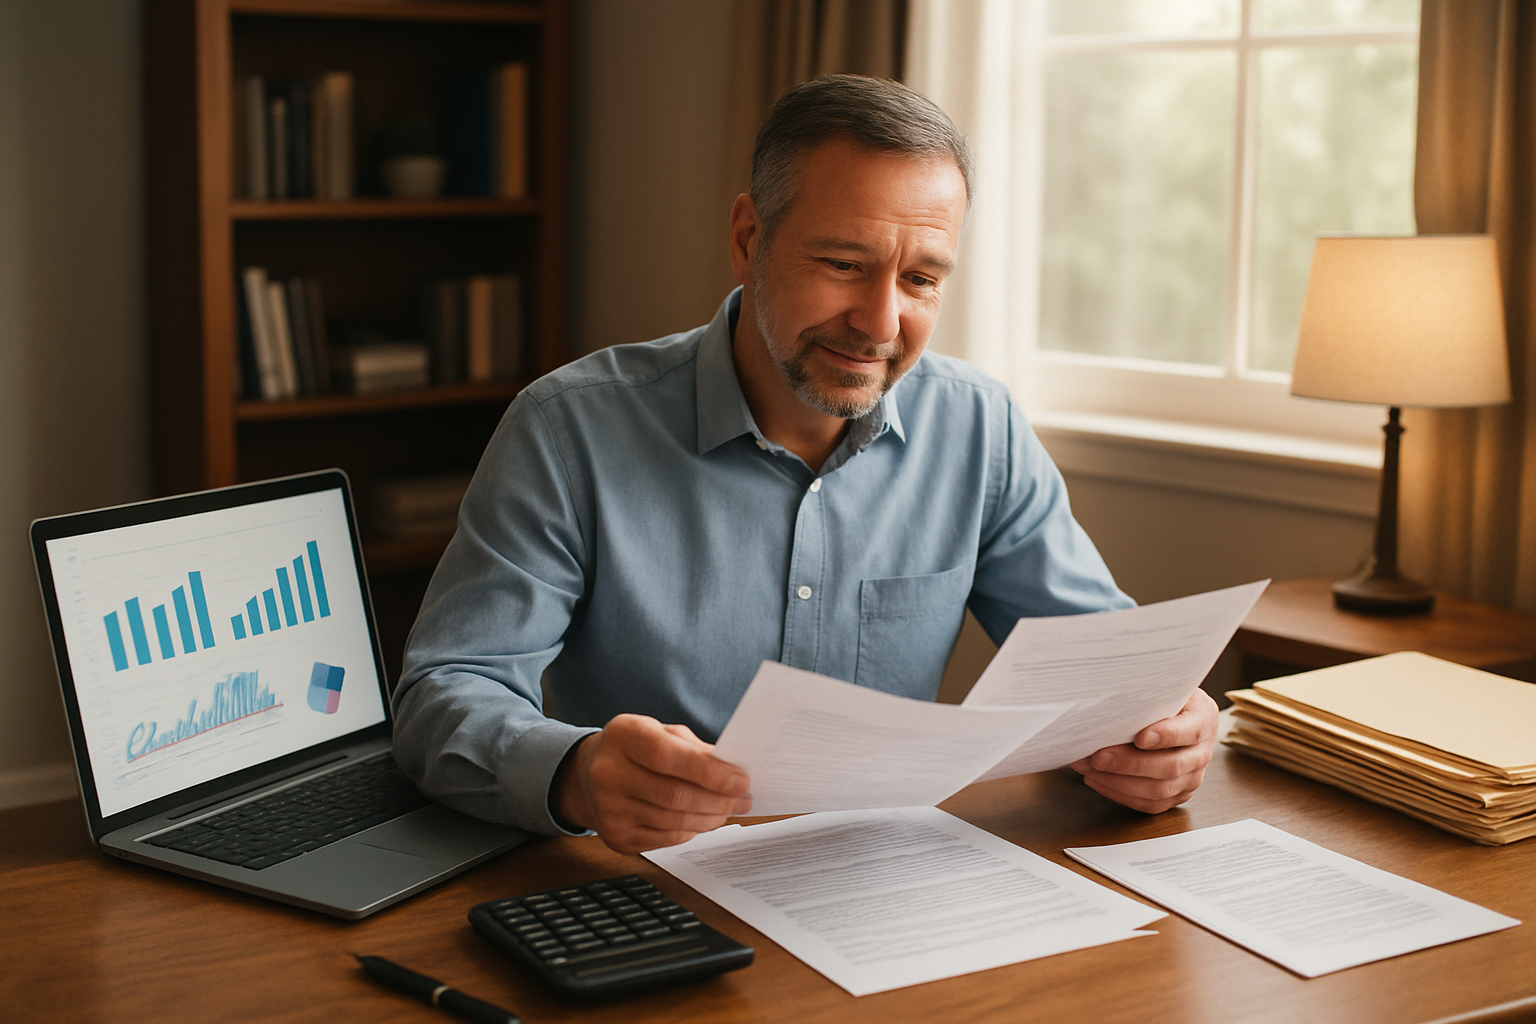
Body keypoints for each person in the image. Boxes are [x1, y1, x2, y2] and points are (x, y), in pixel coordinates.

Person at [392, 74, 1219, 855]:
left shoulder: (982, 428)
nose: (880, 323)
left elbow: (1112, 672)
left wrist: (1167, 732)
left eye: (921, 279)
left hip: (889, 877)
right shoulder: (568, 430)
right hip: (645, 884)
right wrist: (575, 774)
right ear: (748, 239)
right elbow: (443, 695)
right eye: (844, 265)